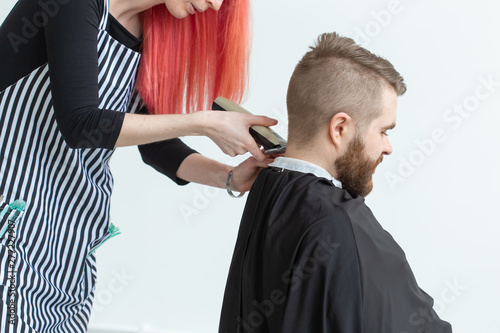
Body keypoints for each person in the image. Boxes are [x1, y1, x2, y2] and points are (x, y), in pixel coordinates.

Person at [0, 0, 277, 331]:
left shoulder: (150, 33)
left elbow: (155, 144)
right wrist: (201, 123)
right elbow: (81, 124)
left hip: (66, 238)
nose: (215, 4)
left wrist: (230, 178)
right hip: (12, 218)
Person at [219, 32, 453, 333]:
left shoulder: (268, 188)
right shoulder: (342, 225)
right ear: (340, 128)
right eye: (384, 131)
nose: (388, 147)